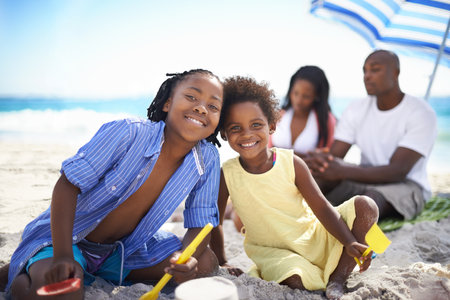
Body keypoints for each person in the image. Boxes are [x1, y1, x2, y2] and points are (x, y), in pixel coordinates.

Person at [4, 69, 224, 299]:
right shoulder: (128, 132)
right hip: (69, 239)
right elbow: (67, 186)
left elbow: (201, 223)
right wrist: (63, 255)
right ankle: (22, 280)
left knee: (205, 262)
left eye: (213, 106)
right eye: (191, 97)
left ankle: (75, 270)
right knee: (63, 291)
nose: (201, 108)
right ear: (168, 103)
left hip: (121, 252)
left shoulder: (207, 158)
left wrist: (185, 260)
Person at [209, 76, 379, 299]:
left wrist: (348, 241)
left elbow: (322, 207)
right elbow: (215, 222)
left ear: (271, 126)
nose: (247, 134)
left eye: (256, 125)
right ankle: (323, 273)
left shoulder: (291, 162)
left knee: (366, 205)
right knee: (296, 279)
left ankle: (338, 279)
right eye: (235, 128)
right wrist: (222, 261)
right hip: (275, 252)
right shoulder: (227, 174)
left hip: (315, 237)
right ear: (224, 133)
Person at [305, 50, 438, 220]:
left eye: (375, 70)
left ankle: (355, 242)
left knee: (367, 202)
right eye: (364, 71)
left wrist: (341, 170)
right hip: (362, 176)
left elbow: (398, 171)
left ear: (395, 73)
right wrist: (319, 162)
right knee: (313, 182)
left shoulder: (421, 112)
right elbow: (335, 155)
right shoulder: (356, 108)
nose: (367, 76)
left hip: (406, 184)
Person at [270, 65, 336, 158]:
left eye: (306, 96)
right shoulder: (277, 115)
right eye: (295, 93)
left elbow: (325, 159)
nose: (298, 100)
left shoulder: (326, 121)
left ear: (317, 96)